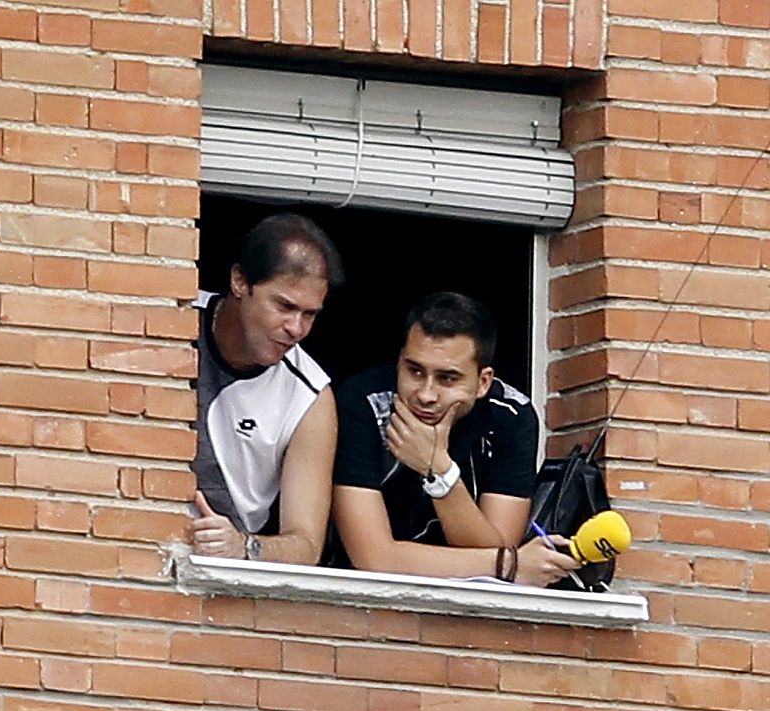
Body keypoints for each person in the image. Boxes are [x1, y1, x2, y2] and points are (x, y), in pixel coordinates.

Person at [331, 292, 576, 588]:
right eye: (415, 371)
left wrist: (439, 471)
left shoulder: (511, 416)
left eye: (447, 378)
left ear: (483, 382)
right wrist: (509, 564)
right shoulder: (362, 403)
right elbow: (374, 558)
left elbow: (495, 548)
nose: (426, 394)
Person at [187, 213, 343, 565]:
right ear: (240, 281)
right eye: (285, 306)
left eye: (310, 314)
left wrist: (244, 547)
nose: (296, 328)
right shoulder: (168, 319)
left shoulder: (310, 397)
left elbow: (305, 546)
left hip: (218, 576)